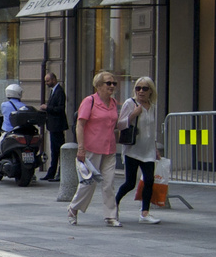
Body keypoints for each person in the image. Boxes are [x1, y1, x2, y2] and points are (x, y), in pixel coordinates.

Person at [67, 71, 123, 226]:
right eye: (108, 83)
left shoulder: (113, 103)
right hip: (91, 148)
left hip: (109, 148)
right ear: (98, 86)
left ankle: (111, 216)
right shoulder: (89, 101)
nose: (112, 86)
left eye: (114, 83)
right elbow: (80, 125)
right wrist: (81, 148)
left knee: (109, 183)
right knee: (88, 183)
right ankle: (73, 208)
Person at [114, 76, 163, 224]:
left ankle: (145, 213)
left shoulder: (152, 106)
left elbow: (152, 129)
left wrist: (155, 147)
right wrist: (133, 114)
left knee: (149, 181)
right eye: (138, 88)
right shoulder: (130, 103)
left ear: (150, 91)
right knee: (130, 183)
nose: (141, 91)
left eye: (145, 88)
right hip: (132, 149)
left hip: (148, 150)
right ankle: (113, 205)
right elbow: (120, 124)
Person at [0, 83, 30, 175]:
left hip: (8, 133)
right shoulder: (23, 106)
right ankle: (31, 174)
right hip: (22, 133)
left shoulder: (4, 105)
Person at [41, 72, 67, 182]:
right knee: (54, 150)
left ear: (54, 80)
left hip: (57, 125)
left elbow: (60, 109)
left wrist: (47, 108)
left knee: (58, 150)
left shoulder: (59, 91)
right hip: (53, 125)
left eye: (48, 81)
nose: (46, 83)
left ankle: (60, 173)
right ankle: (52, 173)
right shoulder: (53, 91)